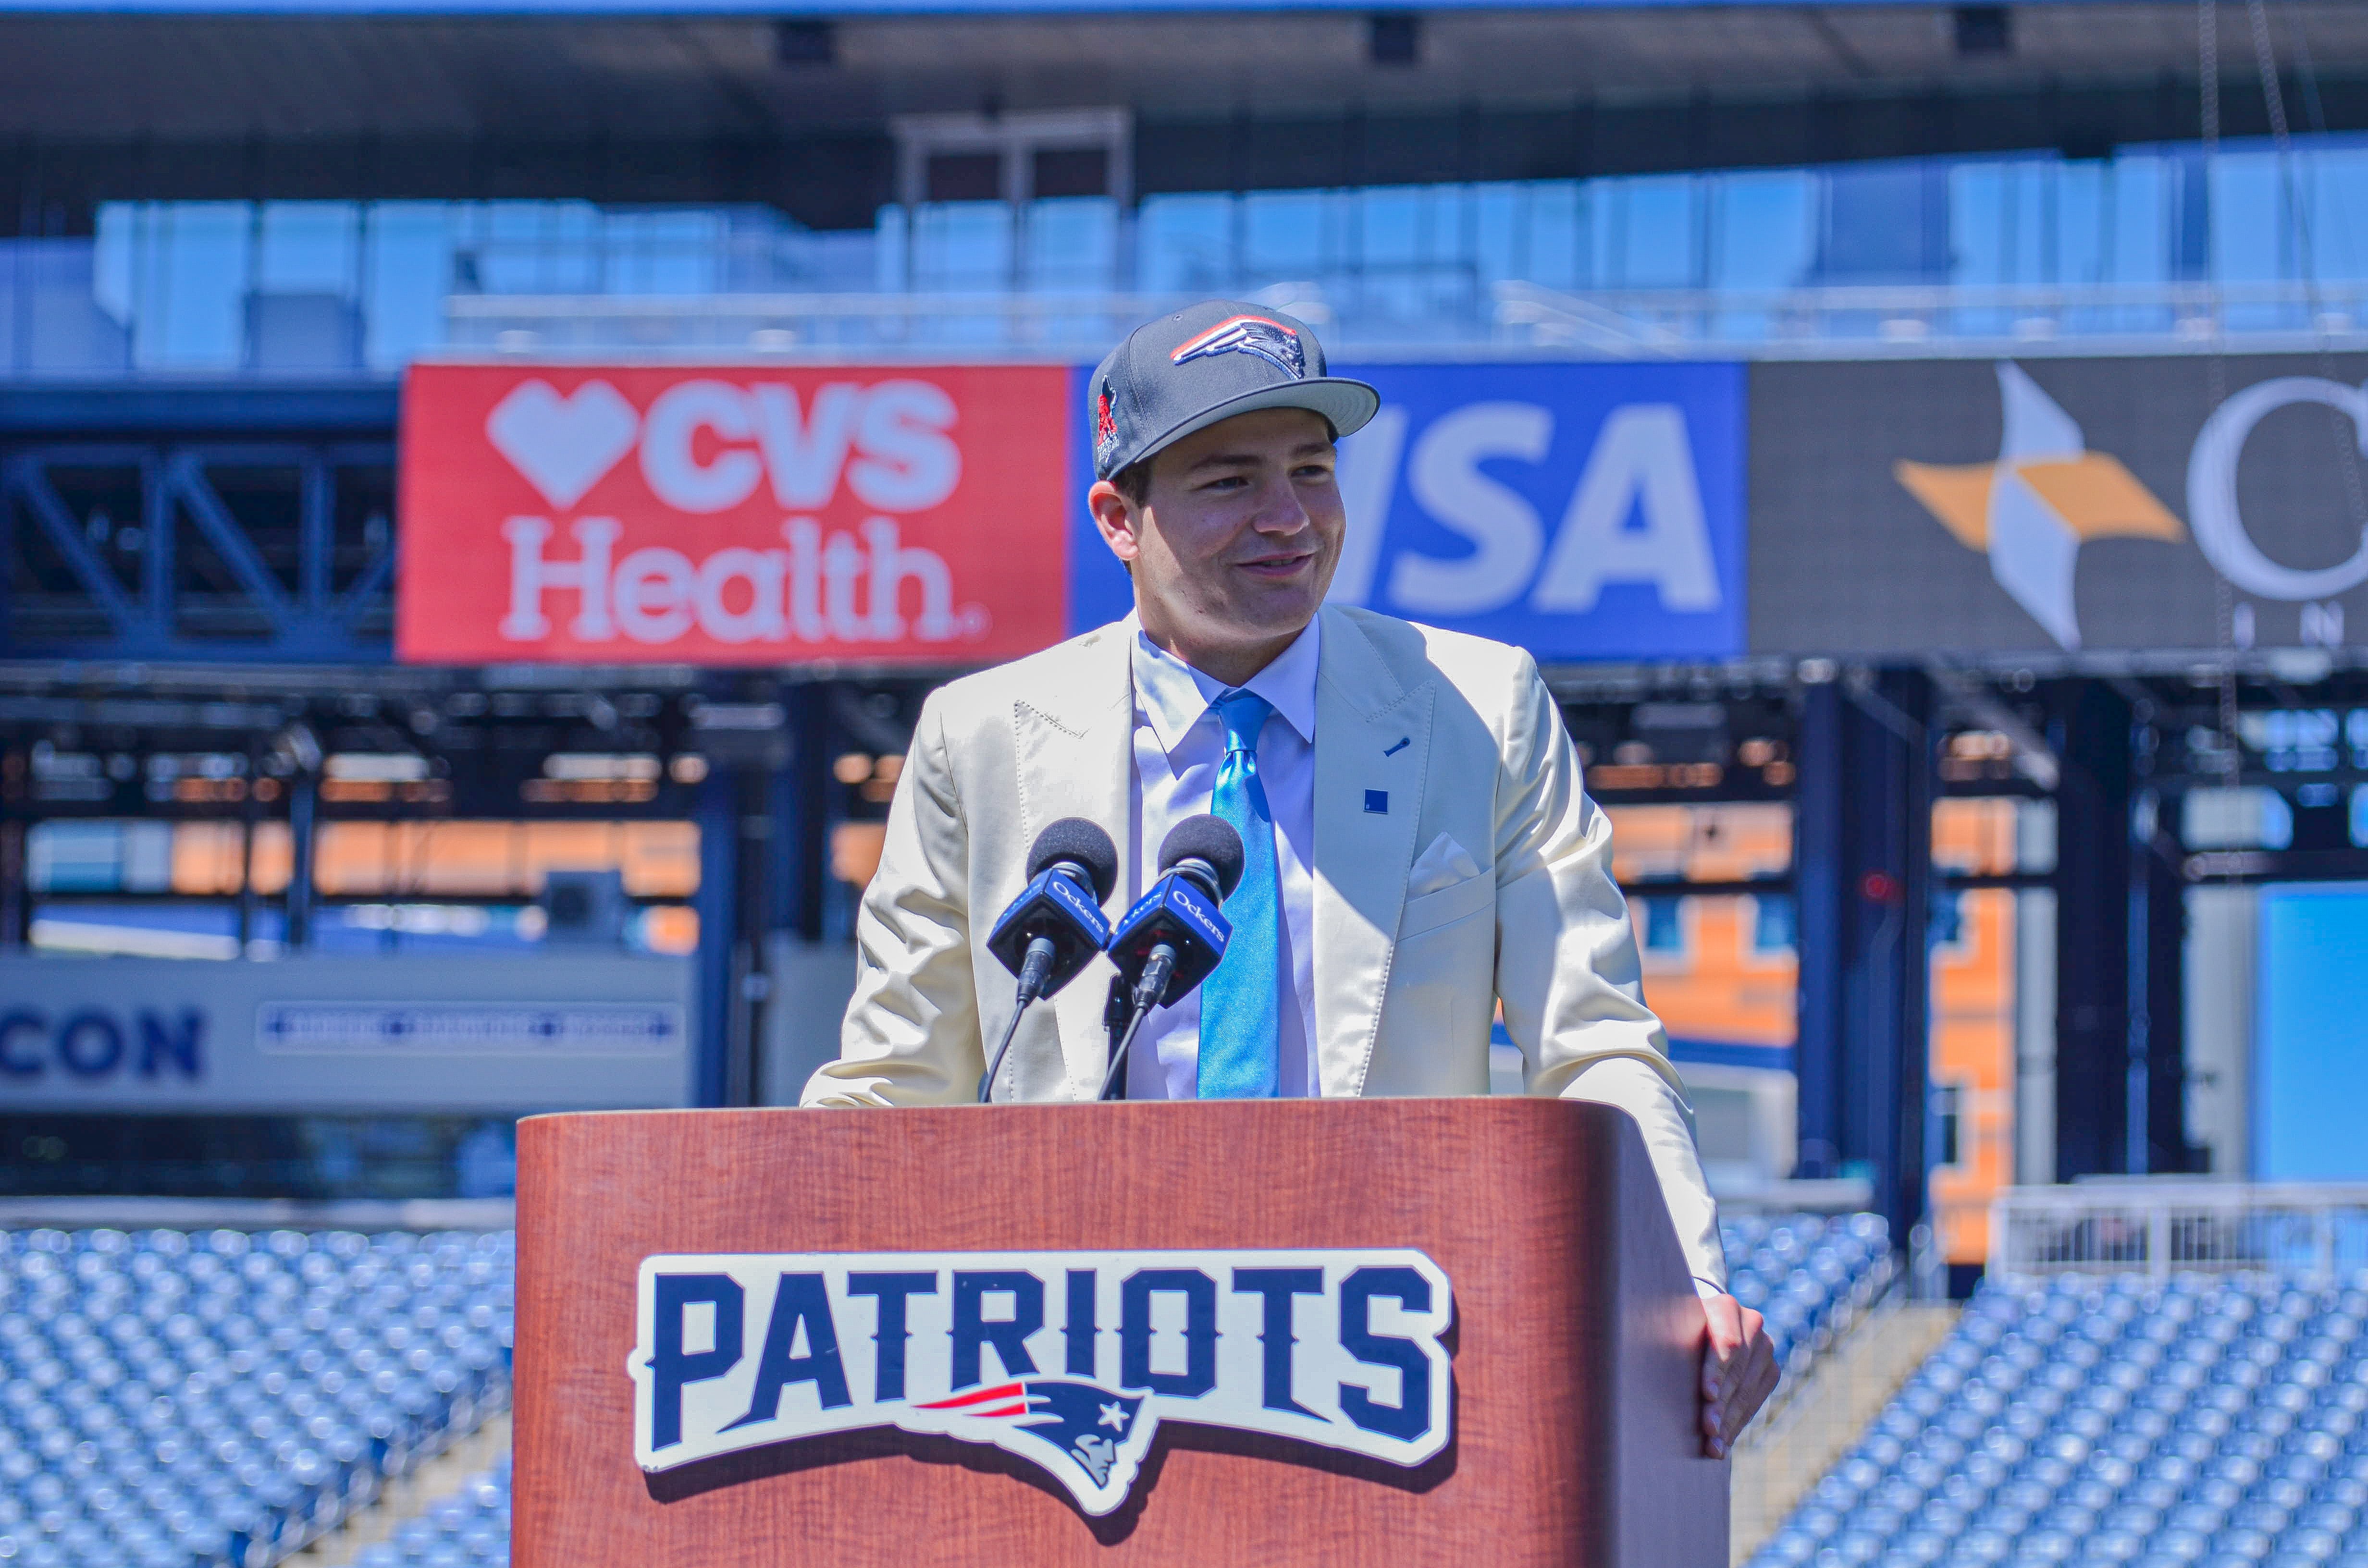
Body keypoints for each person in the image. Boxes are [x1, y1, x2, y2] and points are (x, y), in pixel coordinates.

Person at [802, 299, 1779, 1455]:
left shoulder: (1484, 704)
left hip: (1397, 1349)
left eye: (1312, 471)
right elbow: (897, 1082)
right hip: (1071, 1354)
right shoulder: (977, 738)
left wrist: (1683, 1285)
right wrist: (764, 1244)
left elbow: (1594, 1042)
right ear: (1119, 519)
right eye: (1228, 483)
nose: (1289, 519)